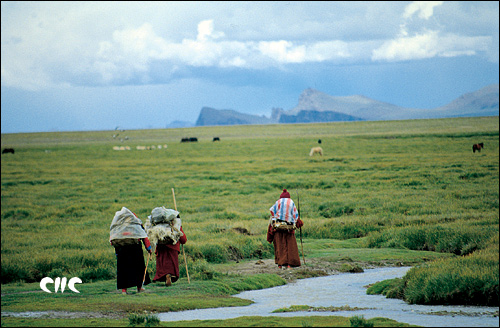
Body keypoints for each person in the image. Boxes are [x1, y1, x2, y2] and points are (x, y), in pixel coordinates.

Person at [109, 207, 152, 295]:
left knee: (123, 269)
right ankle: (139, 288)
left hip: (122, 249)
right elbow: (143, 235)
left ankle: (124, 290)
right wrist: (149, 248)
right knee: (138, 268)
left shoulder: (118, 225)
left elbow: (113, 240)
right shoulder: (135, 222)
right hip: (135, 248)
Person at [145, 207, 187, 287]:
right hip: (173, 248)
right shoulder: (176, 226)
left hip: (161, 247)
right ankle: (170, 275)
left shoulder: (158, 226)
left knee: (162, 264)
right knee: (172, 264)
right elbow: (183, 240)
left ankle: (165, 276)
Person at [267, 189, 304, 269]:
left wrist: (278, 217)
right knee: (289, 246)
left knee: (280, 245)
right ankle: (290, 264)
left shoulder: (278, 202)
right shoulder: (291, 202)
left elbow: (272, 211)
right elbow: (295, 215)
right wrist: (297, 222)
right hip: (289, 227)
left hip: (278, 227)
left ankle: (280, 264)